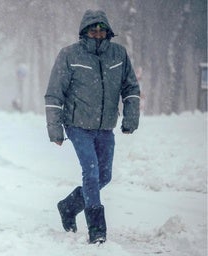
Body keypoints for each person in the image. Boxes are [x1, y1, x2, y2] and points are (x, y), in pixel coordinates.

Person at [44, 10, 140, 244]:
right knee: (91, 171)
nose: (97, 34)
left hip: (105, 126)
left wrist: (130, 118)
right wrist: (55, 130)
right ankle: (97, 229)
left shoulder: (119, 54)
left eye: (101, 29)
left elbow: (131, 89)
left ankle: (68, 206)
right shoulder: (69, 55)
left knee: (104, 176)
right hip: (77, 125)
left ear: (108, 31)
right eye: (92, 30)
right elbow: (55, 94)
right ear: (84, 31)